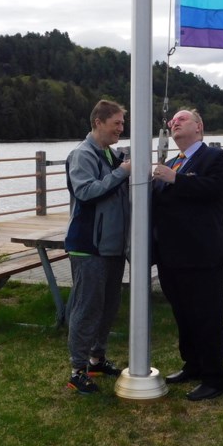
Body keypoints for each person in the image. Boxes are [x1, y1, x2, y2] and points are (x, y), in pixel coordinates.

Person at [151, 108, 223, 401]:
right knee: (182, 316)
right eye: (172, 121)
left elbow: (214, 189)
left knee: (207, 318)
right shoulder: (171, 162)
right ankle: (192, 365)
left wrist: (176, 179)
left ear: (199, 127)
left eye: (181, 119)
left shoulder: (216, 158)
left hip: (203, 256)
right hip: (171, 257)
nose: (174, 123)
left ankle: (215, 379)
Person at [63, 99, 131, 394]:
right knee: (87, 307)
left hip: (113, 246)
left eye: (122, 123)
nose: (121, 128)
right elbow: (86, 191)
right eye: (116, 123)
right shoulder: (82, 154)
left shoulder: (111, 154)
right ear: (98, 123)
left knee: (108, 306)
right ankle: (77, 370)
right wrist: (122, 173)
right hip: (88, 245)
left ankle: (96, 359)